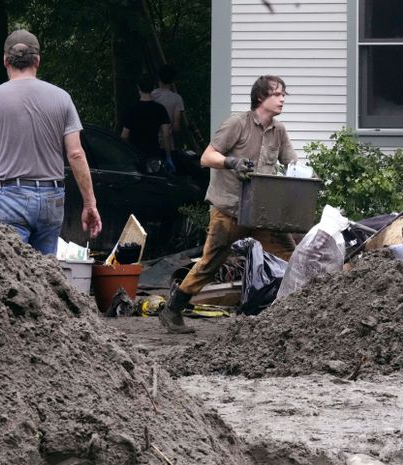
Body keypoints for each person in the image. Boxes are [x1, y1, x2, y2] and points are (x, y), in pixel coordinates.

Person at [159, 75, 297, 334]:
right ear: (260, 98)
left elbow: (293, 163)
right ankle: (172, 309)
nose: (282, 99)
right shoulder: (238, 124)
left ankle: (304, 312)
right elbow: (207, 156)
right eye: (277, 94)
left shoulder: (279, 131)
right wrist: (231, 163)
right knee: (211, 263)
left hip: (262, 211)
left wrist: (303, 176)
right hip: (229, 209)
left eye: (283, 94)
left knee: (292, 256)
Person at [0, 29, 102, 255]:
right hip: (52, 199)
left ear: (5, 61)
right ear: (37, 61)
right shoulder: (62, 98)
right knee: (45, 275)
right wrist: (89, 204)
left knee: (12, 274)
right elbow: (76, 154)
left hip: (11, 197)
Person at [121, 73, 173, 171]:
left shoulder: (131, 109)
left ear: (138, 88)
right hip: (153, 153)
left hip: (135, 154)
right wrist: (168, 156)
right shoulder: (160, 109)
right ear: (153, 88)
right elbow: (166, 134)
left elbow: (124, 136)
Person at [150, 64, 185, 153]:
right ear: (173, 80)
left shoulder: (151, 96)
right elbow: (176, 126)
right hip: (168, 144)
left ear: (158, 78)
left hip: (150, 141)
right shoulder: (176, 99)